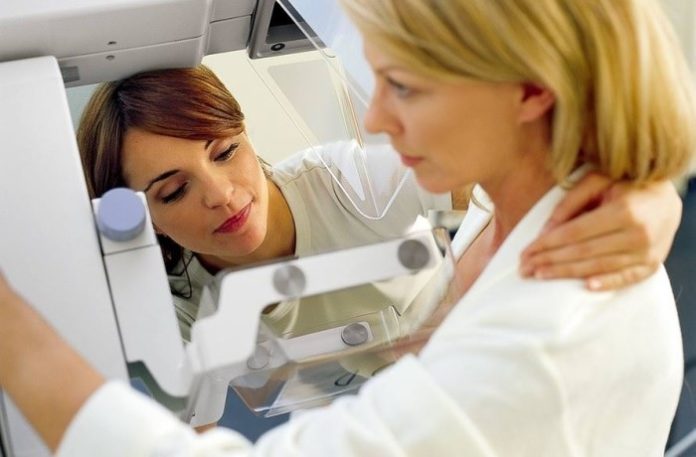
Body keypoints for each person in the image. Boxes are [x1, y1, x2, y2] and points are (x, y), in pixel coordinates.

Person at [0, 0, 693, 455]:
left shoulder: (537, 334)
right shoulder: (516, 219)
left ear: (531, 89)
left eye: (404, 85)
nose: (375, 119)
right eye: (174, 190)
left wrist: (17, 338)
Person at [79, 65, 681, 347]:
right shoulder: (174, 301)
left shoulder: (348, 183)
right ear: (142, 218)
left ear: (246, 133)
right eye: (174, 191)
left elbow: (525, 163)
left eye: (225, 151)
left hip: (458, 344)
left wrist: (654, 199)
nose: (220, 193)